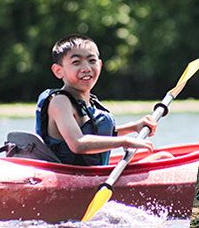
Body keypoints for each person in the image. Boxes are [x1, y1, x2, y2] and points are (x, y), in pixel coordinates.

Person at [36, 34, 169, 166]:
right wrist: (125, 142)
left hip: (96, 175)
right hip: (77, 177)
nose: (86, 68)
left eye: (92, 61)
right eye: (76, 62)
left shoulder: (90, 102)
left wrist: (133, 127)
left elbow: (97, 134)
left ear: (100, 65)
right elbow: (77, 143)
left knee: (164, 157)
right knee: (164, 158)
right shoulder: (60, 101)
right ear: (58, 71)